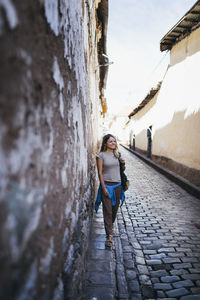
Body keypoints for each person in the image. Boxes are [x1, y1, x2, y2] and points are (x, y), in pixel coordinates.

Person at [96, 134, 126, 247]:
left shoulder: (117, 154)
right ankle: (109, 235)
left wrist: (122, 163)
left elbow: (122, 170)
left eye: (114, 141)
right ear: (105, 143)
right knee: (107, 211)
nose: (113, 143)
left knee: (114, 210)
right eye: (110, 141)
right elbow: (99, 173)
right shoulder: (101, 155)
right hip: (107, 186)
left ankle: (110, 226)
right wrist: (103, 188)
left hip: (118, 186)